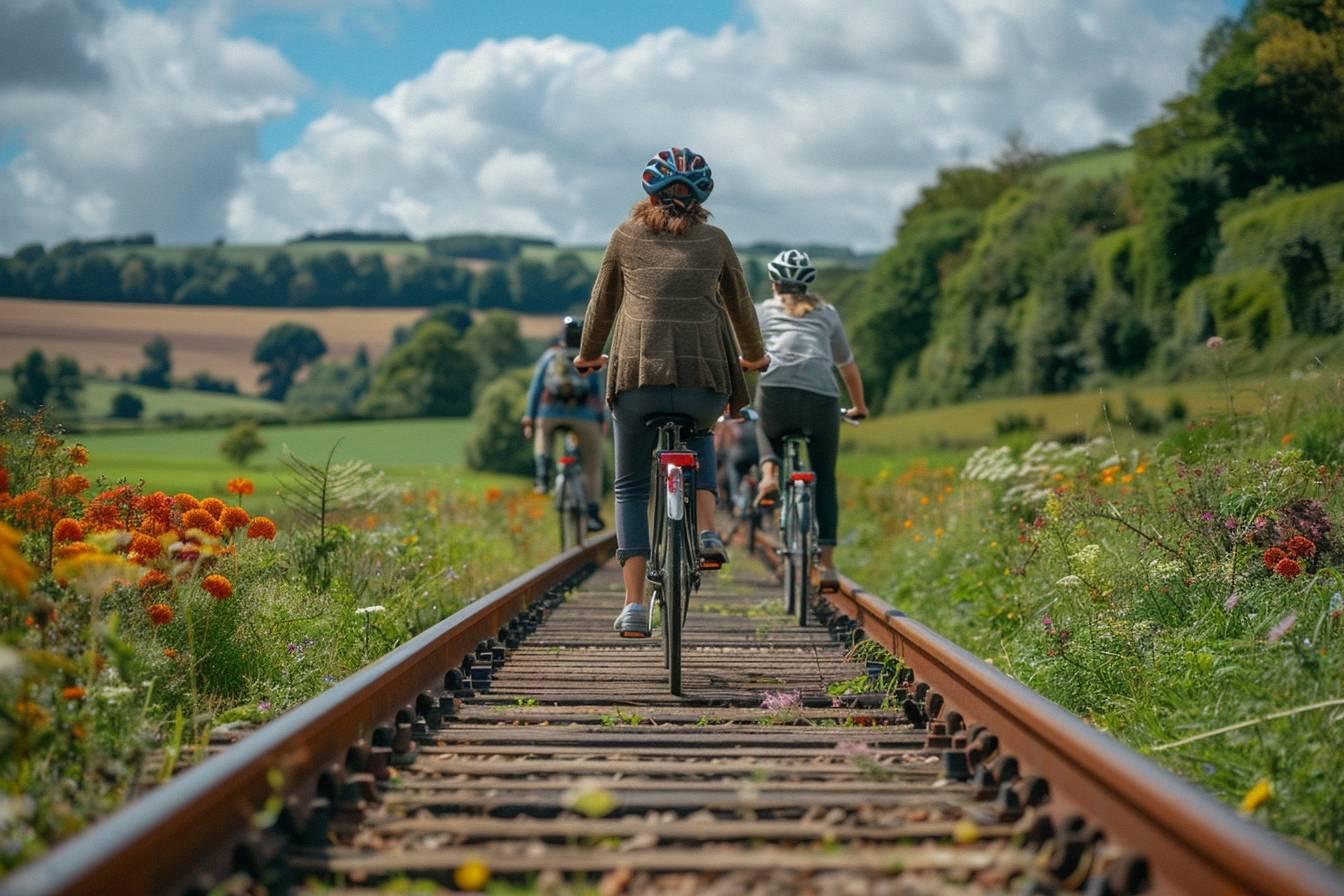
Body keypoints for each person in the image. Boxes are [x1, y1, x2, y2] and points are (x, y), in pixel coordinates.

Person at [573, 146, 769, 638]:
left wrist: (587, 353)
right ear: (702, 198)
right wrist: (755, 356)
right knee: (701, 429)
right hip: (704, 379)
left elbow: (601, 305)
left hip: (637, 382)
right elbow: (742, 307)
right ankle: (706, 531)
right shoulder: (717, 240)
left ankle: (634, 605)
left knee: (631, 487)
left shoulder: (625, 236)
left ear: (649, 194)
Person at [753, 249, 868, 590]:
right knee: (825, 478)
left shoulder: (762, 311)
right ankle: (829, 566)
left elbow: (747, 355)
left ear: (775, 284)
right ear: (808, 284)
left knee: (761, 421)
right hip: (822, 398)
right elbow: (847, 367)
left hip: (777, 393)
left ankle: (769, 472)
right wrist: (859, 407)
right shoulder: (827, 313)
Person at [522, 316, 606, 532]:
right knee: (592, 462)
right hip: (584, 417)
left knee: (543, 433)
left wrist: (530, 419)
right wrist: (602, 421)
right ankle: (593, 512)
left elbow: (536, 389)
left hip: (550, 413)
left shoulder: (550, 355)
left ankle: (542, 476)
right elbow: (597, 392)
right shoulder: (589, 356)